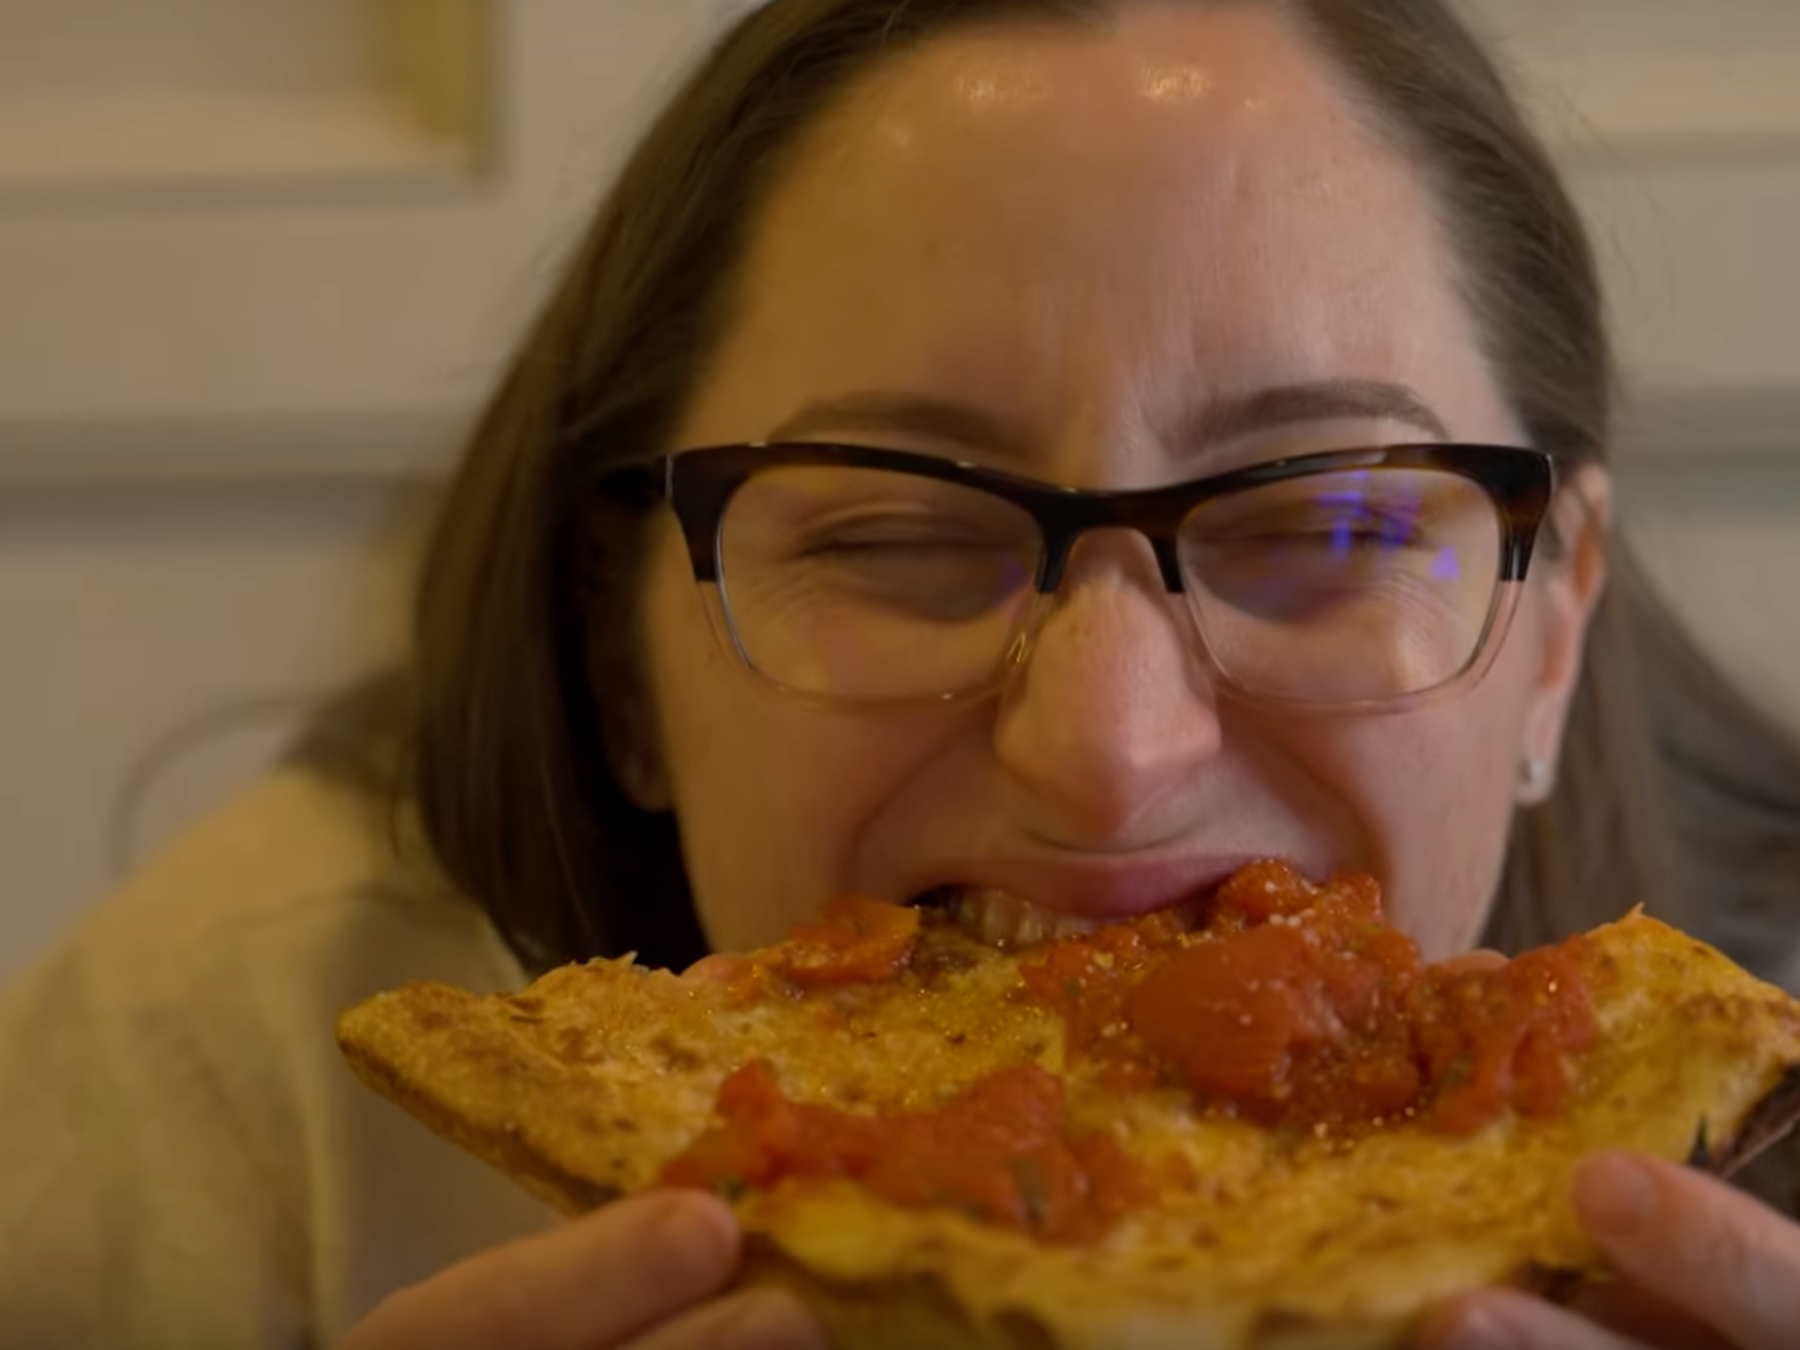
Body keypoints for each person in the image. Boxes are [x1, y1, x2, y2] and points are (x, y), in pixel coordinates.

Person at [5, 0, 1800, 1347]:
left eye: (1323, 528)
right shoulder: (221, 1084)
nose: (1107, 753)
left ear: (1553, 625)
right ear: (620, 654)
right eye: (886, 533)